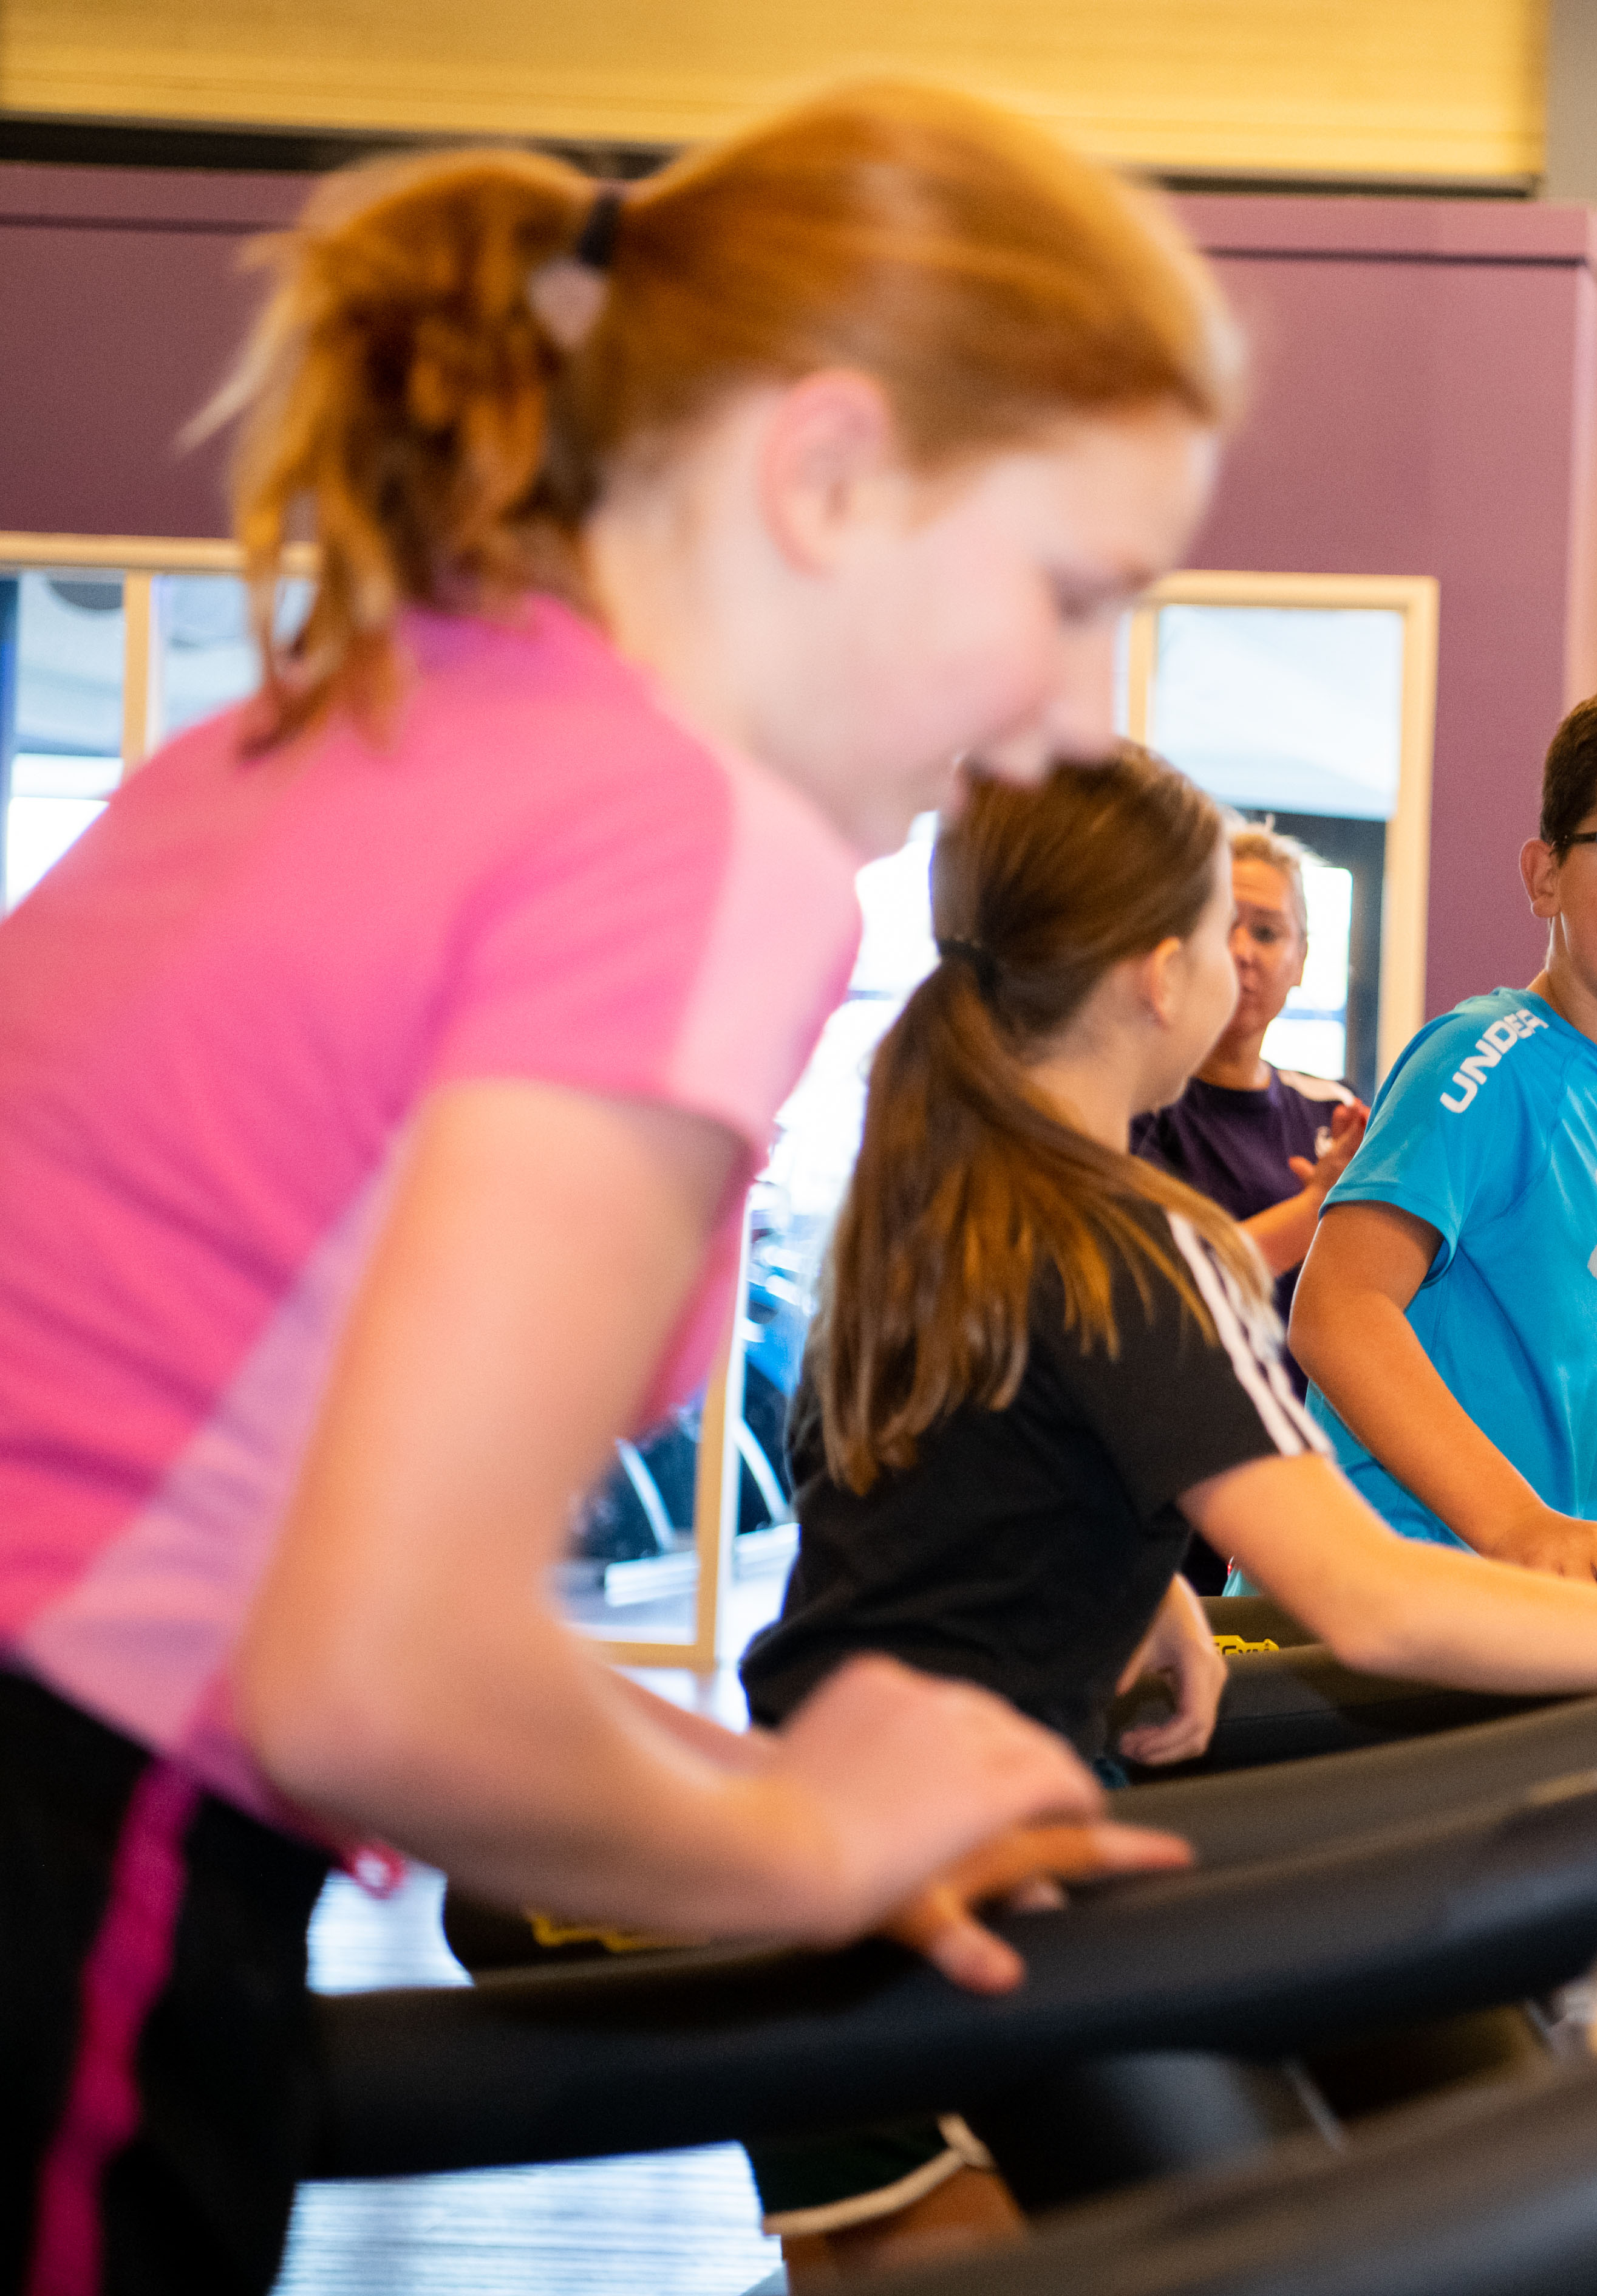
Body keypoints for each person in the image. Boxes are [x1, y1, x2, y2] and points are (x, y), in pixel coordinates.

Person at [1, 86, 1238, 2296]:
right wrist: (799, 1824)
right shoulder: (690, 838)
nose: (1057, 718)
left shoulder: (358, 710)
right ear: (828, 473)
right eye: (1062, 594)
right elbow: (370, 1673)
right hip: (70, 1817)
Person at [734, 750, 1597, 2274]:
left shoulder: (937, 1207)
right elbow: (1372, 1598)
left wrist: (1142, 1574)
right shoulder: (1147, 1248)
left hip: (831, 1833)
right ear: (1162, 977)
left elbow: (954, 1490)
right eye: (1227, 939)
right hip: (970, 1885)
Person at [1293, 677, 1597, 1586]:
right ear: (1544, 876)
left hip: (1494, 1589)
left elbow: (1524, 1346)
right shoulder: (1488, 1058)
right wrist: (1519, 1520)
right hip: (1374, 1597)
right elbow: (1337, 1312)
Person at [1131, 820, 1364, 1590]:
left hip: (1303, 1482)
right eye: (1225, 925)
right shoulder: (1139, 1108)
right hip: (1168, 1499)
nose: (1244, 952)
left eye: (1268, 932)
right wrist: (1317, 1205)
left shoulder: (1334, 1114)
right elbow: (1173, 1282)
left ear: (1301, 962)